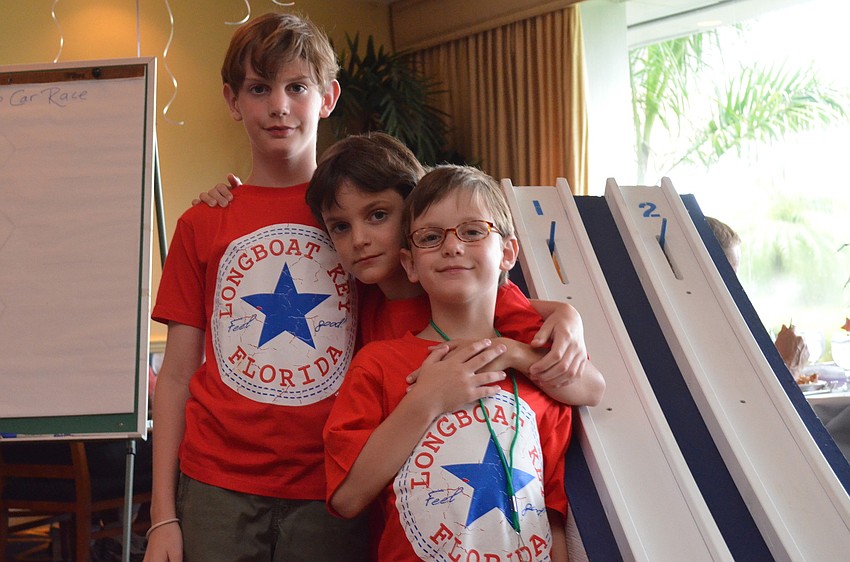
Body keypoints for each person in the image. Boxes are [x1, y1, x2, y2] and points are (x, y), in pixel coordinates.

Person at [145, 12, 368, 562]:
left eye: (297, 87)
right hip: (215, 489)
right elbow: (174, 376)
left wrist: (558, 314)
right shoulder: (202, 222)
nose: (279, 106)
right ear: (232, 99)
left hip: (337, 483)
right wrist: (161, 517)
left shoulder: (364, 218)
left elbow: (456, 287)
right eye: (259, 88)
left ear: (328, 96)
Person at [324, 165, 604, 561]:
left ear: (507, 252)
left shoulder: (538, 375)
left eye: (473, 232)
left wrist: (516, 351)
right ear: (410, 264)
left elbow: (548, 510)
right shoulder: (379, 364)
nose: (452, 247)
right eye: (431, 237)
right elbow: (348, 498)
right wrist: (427, 401)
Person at [200, 132, 591, 391]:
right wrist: (237, 198)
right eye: (340, 227)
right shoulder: (357, 296)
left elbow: (513, 309)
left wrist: (564, 315)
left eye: (378, 216)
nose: (360, 240)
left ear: (415, 209)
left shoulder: (458, 287)